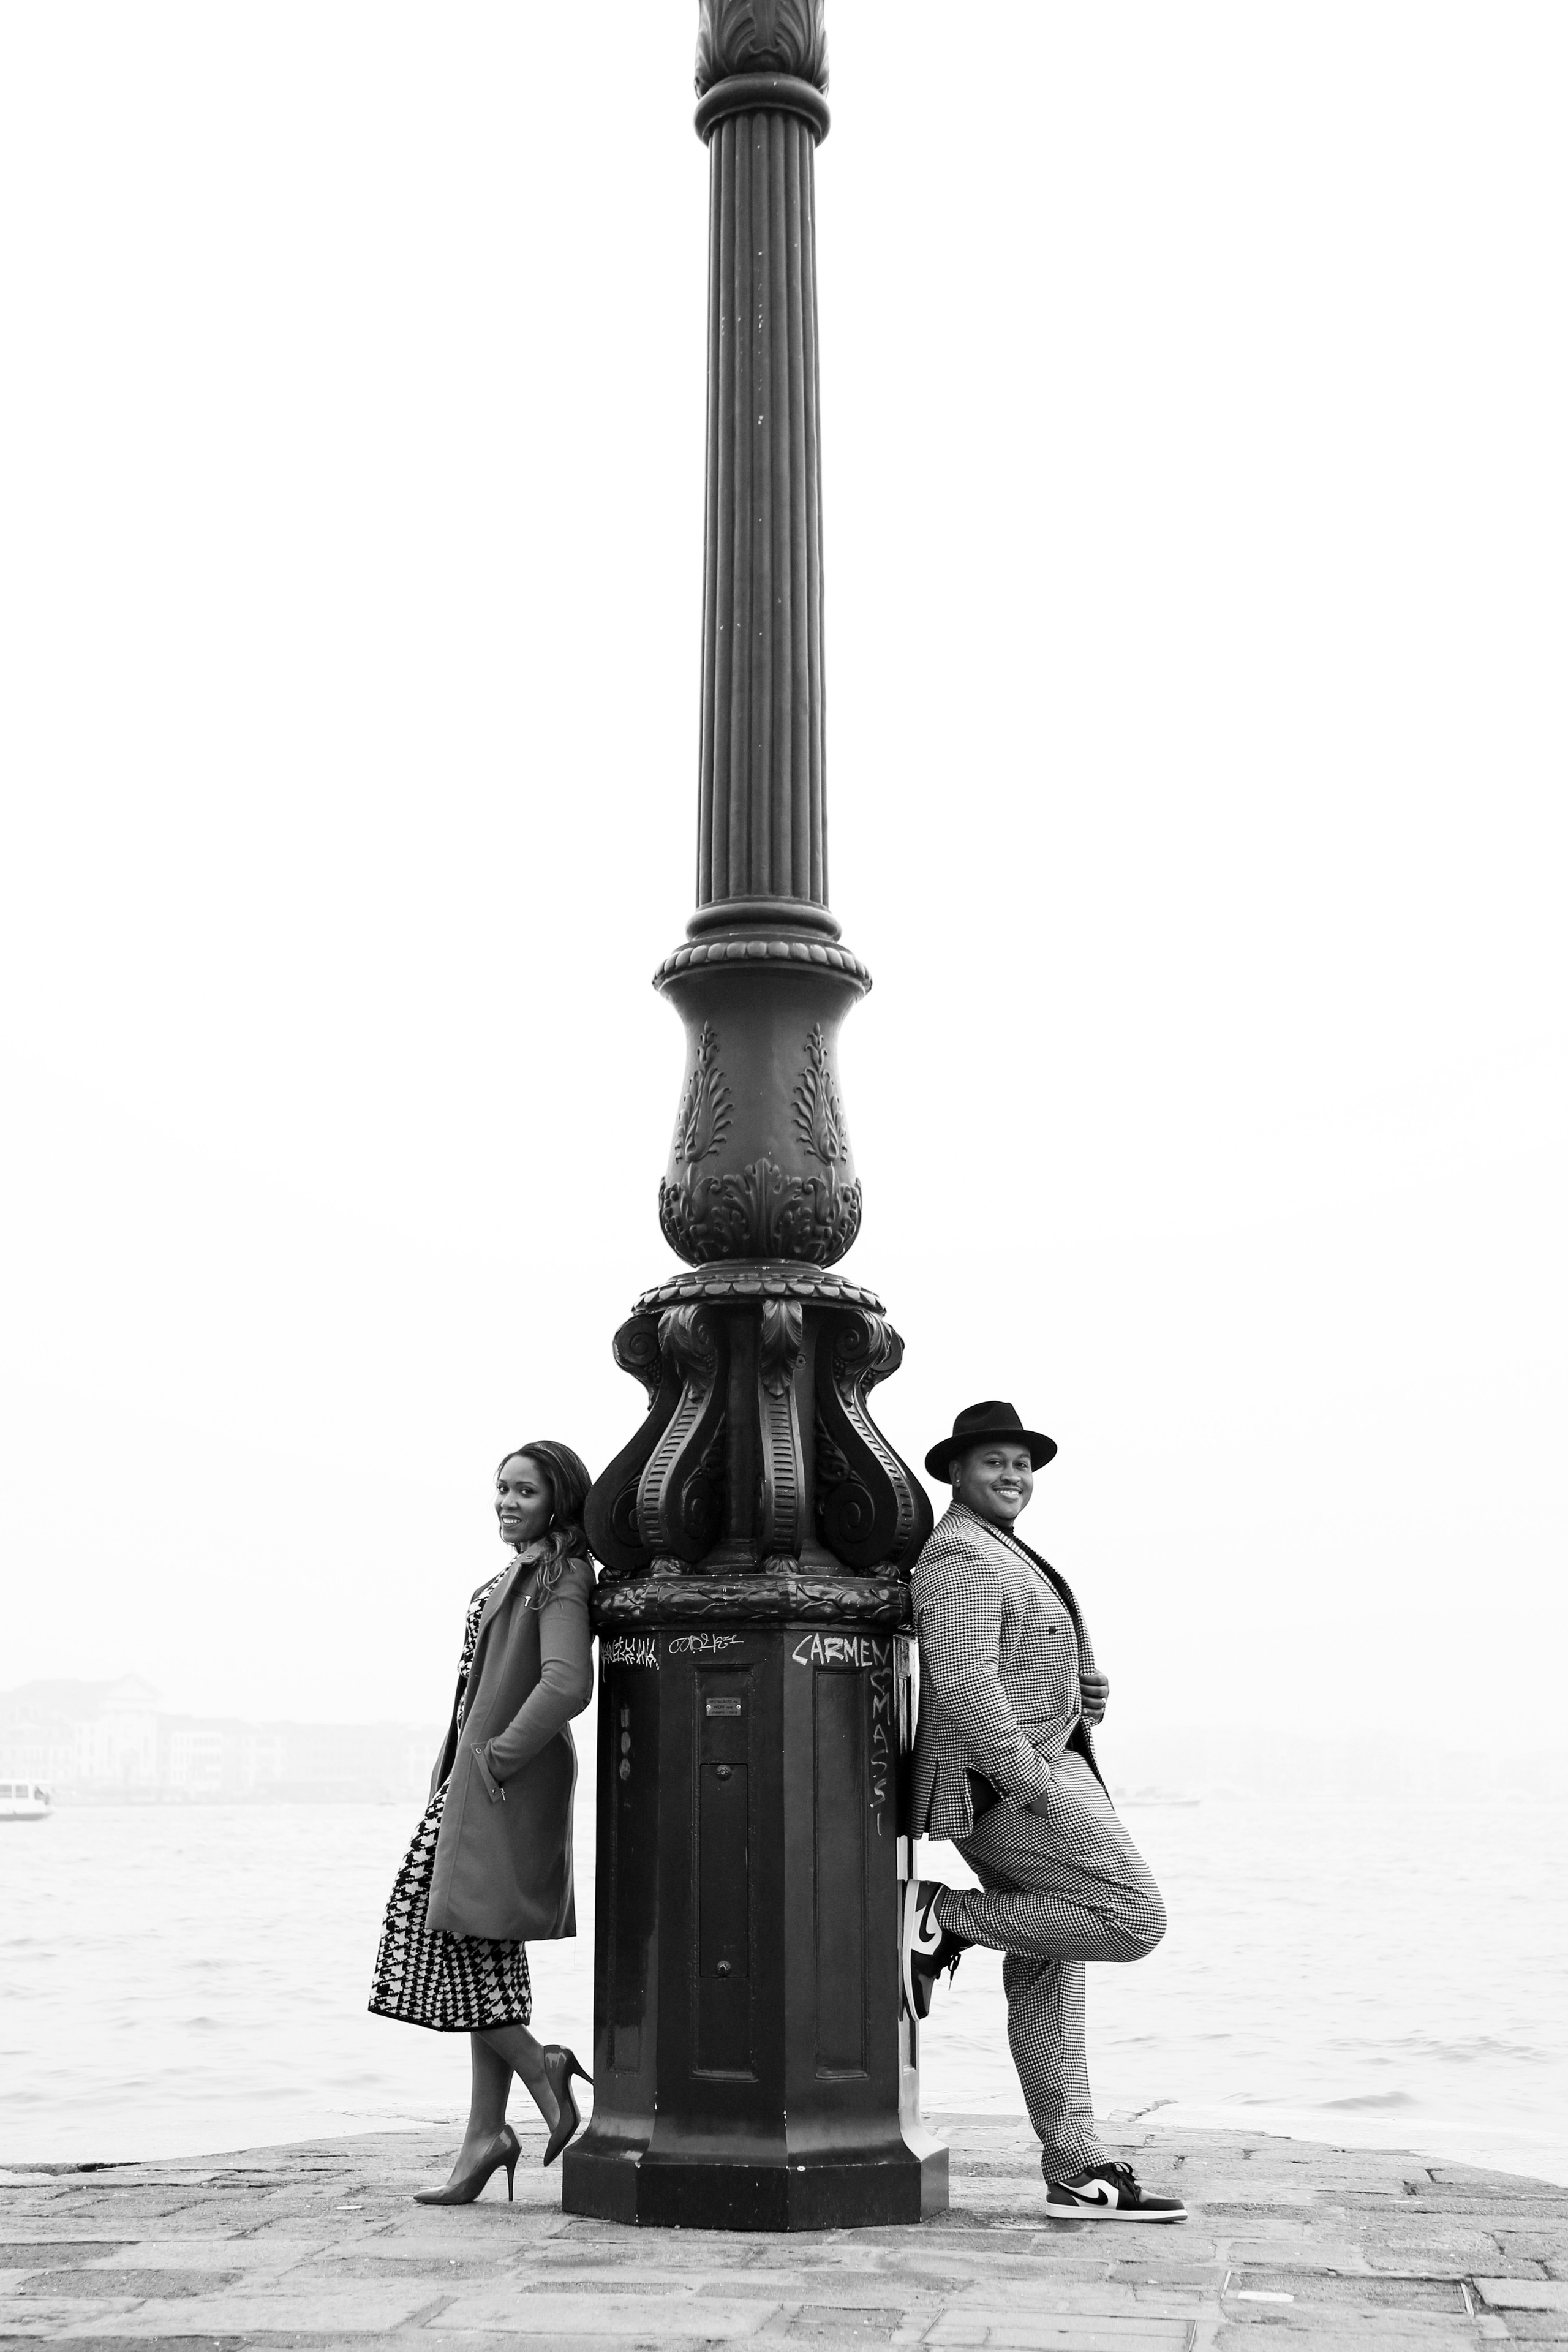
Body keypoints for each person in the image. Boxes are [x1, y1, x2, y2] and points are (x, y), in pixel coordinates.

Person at [902, 1401, 1185, 2223]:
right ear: (955, 1471)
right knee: (1134, 1917)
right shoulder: (957, 1553)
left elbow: (1015, 1659)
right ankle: (939, 1916)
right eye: (994, 1462)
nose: (1013, 1477)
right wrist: (1026, 1778)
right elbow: (961, 1681)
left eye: (1022, 1464)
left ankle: (1077, 2171)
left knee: (1047, 1962)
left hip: (1046, 1762)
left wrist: (1083, 1690)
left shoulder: (1003, 1550)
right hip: (1013, 1781)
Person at [370, 1441, 597, 2204]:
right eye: (501, 1488)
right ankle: (484, 2138)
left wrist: (495, 1761)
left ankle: (544, 2070)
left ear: (558, 1499)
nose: (506, 1501)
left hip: (500, 1784)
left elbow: (567, 1683)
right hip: (472, 1783)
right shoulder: (522, 1569)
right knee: (479, 1954)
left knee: (428, 1935)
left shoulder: (561, 1572)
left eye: (525, 1491)